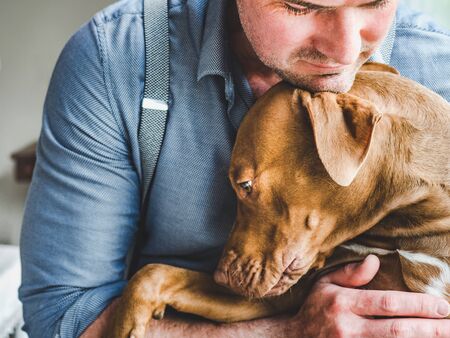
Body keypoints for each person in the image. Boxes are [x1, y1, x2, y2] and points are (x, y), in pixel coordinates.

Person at [19, 0, 450, 337]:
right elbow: (64, 319)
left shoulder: (437, 64)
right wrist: (288, 333)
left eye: (374, 2)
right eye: (300, 5)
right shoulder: (113, 60)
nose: (346, 51)